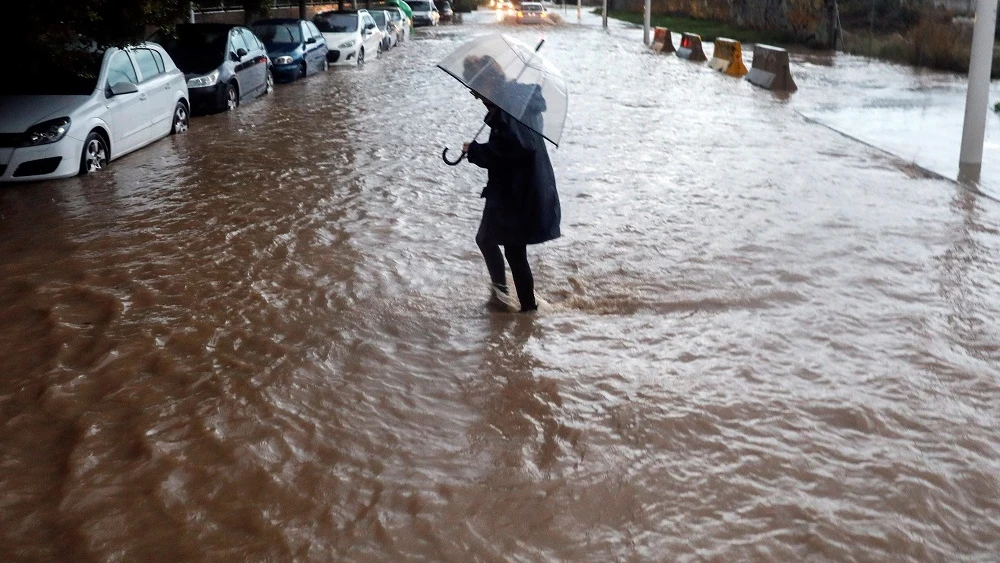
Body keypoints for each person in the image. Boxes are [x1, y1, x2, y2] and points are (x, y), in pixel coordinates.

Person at [461, 55, 560, 313]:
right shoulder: (510, 101)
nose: (474, 94)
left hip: (518, 191)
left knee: (510, 250)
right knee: (489, 240)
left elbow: (518, 147)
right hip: (514, 188)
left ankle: (523, 308)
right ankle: (506, 300)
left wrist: (476, 152)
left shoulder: (509, 106)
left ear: (488, 79)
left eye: (475, 86)